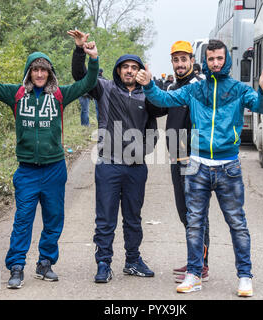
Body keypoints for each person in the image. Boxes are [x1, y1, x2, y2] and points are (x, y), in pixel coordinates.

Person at [136, 39, 263, 296]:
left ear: (226, 60)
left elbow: (260, 107)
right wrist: (147, 85)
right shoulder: (195, 89)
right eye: (211, 59)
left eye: (219, 58)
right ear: (206, 61)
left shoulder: (237, 89)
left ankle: (245, 276)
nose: (215, 63)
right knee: (195, 223)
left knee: (237, 223)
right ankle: (194, 274)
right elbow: (164, 98)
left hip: (228, 167)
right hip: (197, 165)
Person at [0, 39, 99, 289]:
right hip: (27, 171)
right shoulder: (16, 94)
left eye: (44, 70)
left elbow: (88, 82)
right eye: (35, 69)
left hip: (54, 170)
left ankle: (45, 264)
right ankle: (17, 267)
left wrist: (92, 59)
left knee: (53, 220)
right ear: (29, 72)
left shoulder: (60, 95)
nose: (40, 74)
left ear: (49, 73)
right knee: (23, 221)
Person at [68, 29, 159, 284]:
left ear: (140, 71)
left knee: (133, 218)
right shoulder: (105, 89)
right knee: (105, 218)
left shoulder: (147, 95)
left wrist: (149, 85)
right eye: (125, 67)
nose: (129, 71)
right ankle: (104, 263)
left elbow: (161, 111)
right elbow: (79, 75)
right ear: (118, 70)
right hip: (108, 164)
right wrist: (81, 51)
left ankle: (132, 261)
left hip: (136, 167)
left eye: (134, 67)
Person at [146, 41, 210, 283]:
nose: (180, 64)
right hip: (177, 158)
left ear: (192, 61)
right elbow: (157, 109)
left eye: (184, 59)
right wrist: (147, 85)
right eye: (176, 60)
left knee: (196, 213)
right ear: (172, 62)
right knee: (185, 213)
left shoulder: (200, 86)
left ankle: (201, 265)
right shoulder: (174, 86)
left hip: (195, 159)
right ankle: (195, 260)